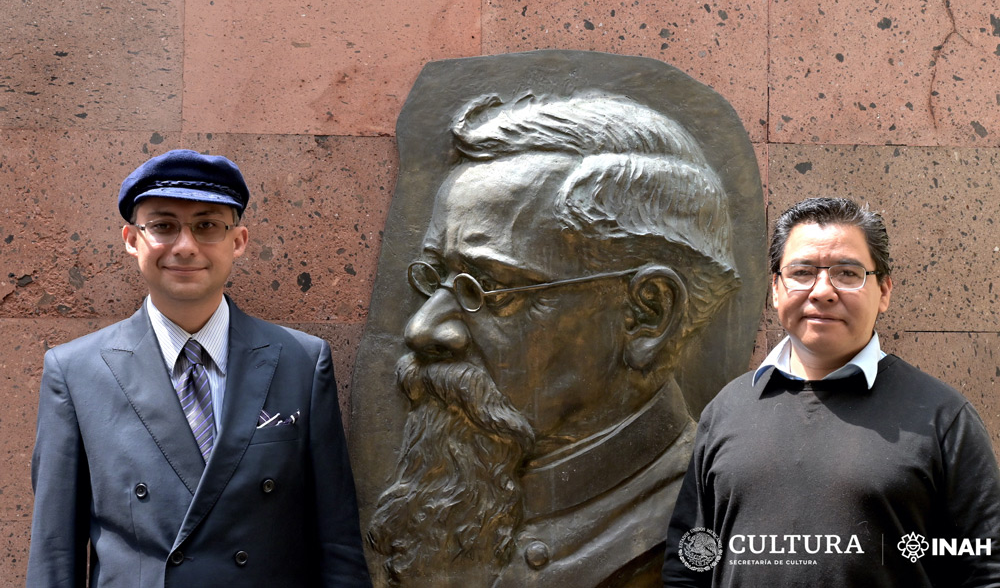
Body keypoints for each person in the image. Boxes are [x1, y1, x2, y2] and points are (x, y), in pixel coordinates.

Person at [366, 92, 743, 587]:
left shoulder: (712, 514)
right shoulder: (444, 499)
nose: (423, 329)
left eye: (491, 287)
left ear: (648, 313)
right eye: (435, 276)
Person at [27, 149, 372, 587]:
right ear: (133, 240)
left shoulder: (301, 361)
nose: (185, 246)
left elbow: (337, 542)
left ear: (239, 241)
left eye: (207, 226)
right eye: (164, 226)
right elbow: (55, 554)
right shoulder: (75, 372)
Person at [662, 197, 1000, 586]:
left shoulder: (942, 418)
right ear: (775, 289)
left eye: (847, 273)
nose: (822, 291)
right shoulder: (728, 410)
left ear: (884, 291)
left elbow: (985, 572)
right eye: (802, 272)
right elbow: (689, 563)